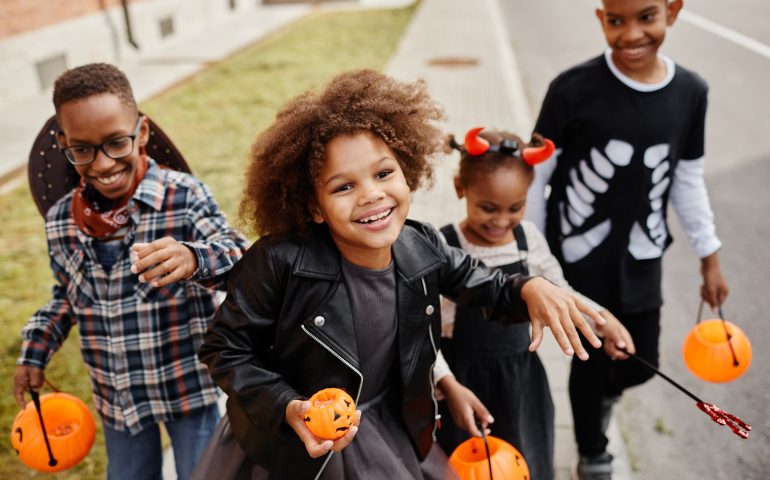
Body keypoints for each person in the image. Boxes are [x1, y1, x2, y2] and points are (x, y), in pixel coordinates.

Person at [196, 69, 608, 480]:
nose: (371, 194)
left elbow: (489, 286)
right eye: (343, 187)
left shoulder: (422, 246)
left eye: (383, 173)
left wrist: (529, 286)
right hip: (290, 448)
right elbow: (225, 348)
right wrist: (287, 406)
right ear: (314, 207)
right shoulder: (281, 261)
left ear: (406, 171)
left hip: (386, 431)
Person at [13, 63, 249, 480]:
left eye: (116, 143)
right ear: (64, 143)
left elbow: (242, 260)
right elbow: (66, 296)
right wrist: (35, 350)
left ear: (141, 133)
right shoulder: (60, 222)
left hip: (187, 389)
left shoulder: (184, 196)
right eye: (82, 149)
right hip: (117, 398)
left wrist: (195, 259)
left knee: (206, 475)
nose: (103, 164)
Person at [526, 1, 729, 478]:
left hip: (642, 255)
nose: (631, 33)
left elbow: (686, 178)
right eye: (616, 21)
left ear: (672, 12)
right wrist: (533, 260)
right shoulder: (571, 89)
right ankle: (593, 453)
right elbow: (536, 178)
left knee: (641, 361)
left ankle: (604, 397)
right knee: (590, 362)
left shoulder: (690, 91)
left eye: (647, 17)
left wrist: (709, 256)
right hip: (576, 259)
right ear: (601, 19)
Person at [433, 127, 635, 480]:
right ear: (460, 189)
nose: (501, 220)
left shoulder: (529, 240)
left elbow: (561, 291)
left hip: (521, 380)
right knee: (466, 464)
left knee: (526, 457)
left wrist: (604, 319)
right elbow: (426, 325)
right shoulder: (443, 245)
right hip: (462, 379)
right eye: (487, 208)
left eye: (516, 207)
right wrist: (442, 382)